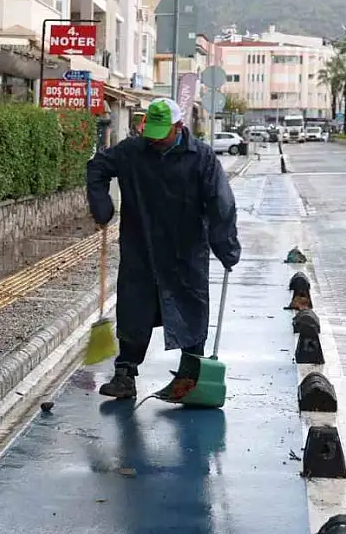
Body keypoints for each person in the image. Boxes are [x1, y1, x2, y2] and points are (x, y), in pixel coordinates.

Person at [86, 98, 240, 400]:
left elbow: (221, 204)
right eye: (151, 133)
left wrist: (226, 247)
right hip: (140, 245)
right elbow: (97, 167)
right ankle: (125, 374)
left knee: (191, 308)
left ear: (179, 127)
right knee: (134, 309)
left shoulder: (202, 158)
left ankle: (191, 376)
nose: (155, 140)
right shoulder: (132, 151)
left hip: (186, 249)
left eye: (162, 133)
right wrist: (102, 206)